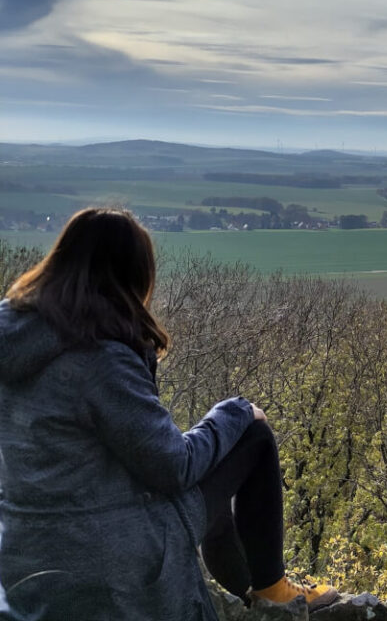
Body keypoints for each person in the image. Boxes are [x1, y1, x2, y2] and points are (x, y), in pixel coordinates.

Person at [0, 208, 339, 620]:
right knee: (251, 436)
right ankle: (272, 589)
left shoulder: (15, 340)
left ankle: (248, 595)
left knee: (208, 468)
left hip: (26, 552)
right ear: (131, 276)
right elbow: (173, 467)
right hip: (111, 556)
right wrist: (235, 411)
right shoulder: (99, 358)